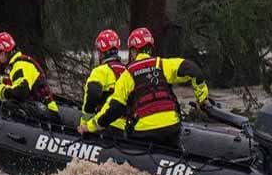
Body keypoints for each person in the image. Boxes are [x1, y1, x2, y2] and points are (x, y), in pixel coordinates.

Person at [78, 26, 209, 148]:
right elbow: (194, 70)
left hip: (145, 132)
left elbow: (115, 107)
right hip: (172, 128)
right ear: (150, 47)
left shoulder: (128, 73)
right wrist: (202, 99)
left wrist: (90, 126)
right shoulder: (162, 64)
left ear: (133, 51)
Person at [0, 31, 59, 119]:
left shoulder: (21, 65)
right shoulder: (14, 66)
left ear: (2, 54)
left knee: (10, 105)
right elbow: (9, 81)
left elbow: (19, 92)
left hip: (48, 113)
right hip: (37, 106)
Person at [81, 29, 127, 135]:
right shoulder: (127, 71)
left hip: (105, 126)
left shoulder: (100, 71)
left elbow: (92, 95)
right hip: (125, 128)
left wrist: (85, 124)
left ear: (101, 52)